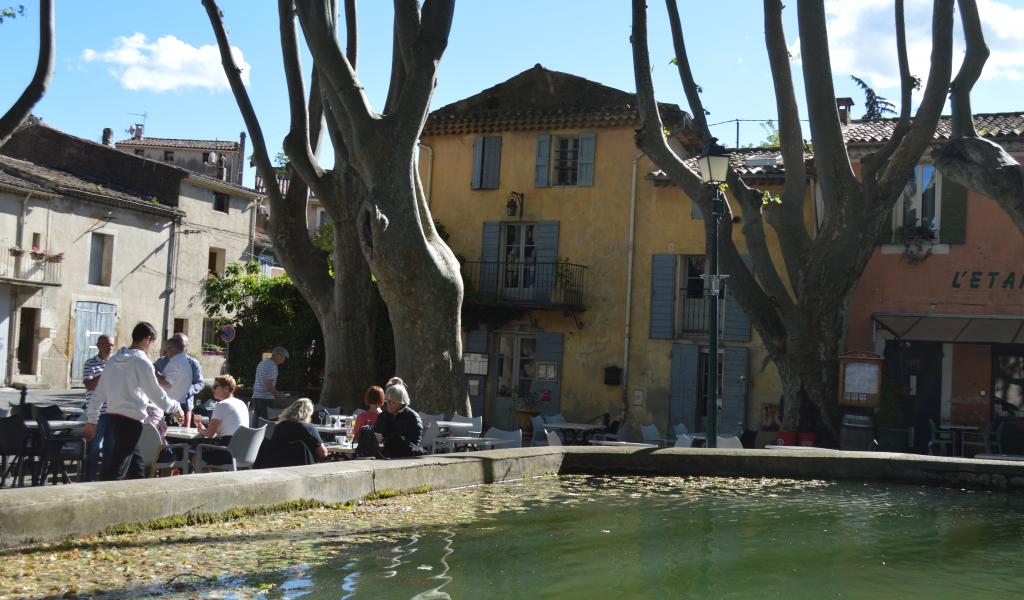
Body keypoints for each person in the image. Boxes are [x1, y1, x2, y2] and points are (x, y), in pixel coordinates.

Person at [83, 322, 184, 481]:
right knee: (117, 470)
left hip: (114, 418)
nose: (150, 347)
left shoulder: (112, 361)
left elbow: (98, 394)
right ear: (147, 339)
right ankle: (105, 501)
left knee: (137, 470)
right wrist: (176, 407)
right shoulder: (142, 363)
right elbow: (156, 395)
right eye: (152, 343)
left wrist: (91, 421)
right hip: (131, 421)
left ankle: (138, 499)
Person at [82, 334, 114, 482]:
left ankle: (105, 481)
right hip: (97, 413)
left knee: (110, 450)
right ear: (98, 345)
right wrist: (105, 374)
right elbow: (88, 385)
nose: (110, 347)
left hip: (113, 412)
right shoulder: (90, 363)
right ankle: (89, 480)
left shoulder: (115, 363)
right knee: (94, 449)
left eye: (112, 345)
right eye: (107, 344)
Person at [154, 333, 203, 428]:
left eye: (182, 345)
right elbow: (150, 374)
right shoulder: (161, 361)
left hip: (185, 404)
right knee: (163, 433)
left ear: (186, 347)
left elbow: (200, 383)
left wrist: (187, 391)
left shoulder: (193, 363)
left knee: (183, 435)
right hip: (165, 403)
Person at [373, 381, 425, 458]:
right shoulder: (383, 416)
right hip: (382, 455)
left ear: (401, 402)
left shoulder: (412, 417)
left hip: (402, 458)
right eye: (387, 402)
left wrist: (387, 438)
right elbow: (376, 433)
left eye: (393, 402)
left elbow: (414, 446)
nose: (389, 405)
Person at [274, 397, 327, 461]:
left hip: (279, 463)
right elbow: (323, 453)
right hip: (304, 465)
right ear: (308, 413)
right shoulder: (309, 428)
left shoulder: (279, 426)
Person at [195, 375, 248, 439]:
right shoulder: (241, 403)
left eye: (215, 387)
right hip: (242, 445)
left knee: (192, 445)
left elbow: (209, 434)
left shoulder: (221, 405)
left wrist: (201, 430)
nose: (212, 390)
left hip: (226, 446)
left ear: (226, 389)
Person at [251, 346, 289, 421]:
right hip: (265, 399)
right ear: (279, 355)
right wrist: (278, 394)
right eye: (283, 357)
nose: (283, 360)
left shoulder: (262, 363)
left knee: (256, 423)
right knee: (265, 424)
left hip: (256, 397)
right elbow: (269, 385)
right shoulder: (272, 366)